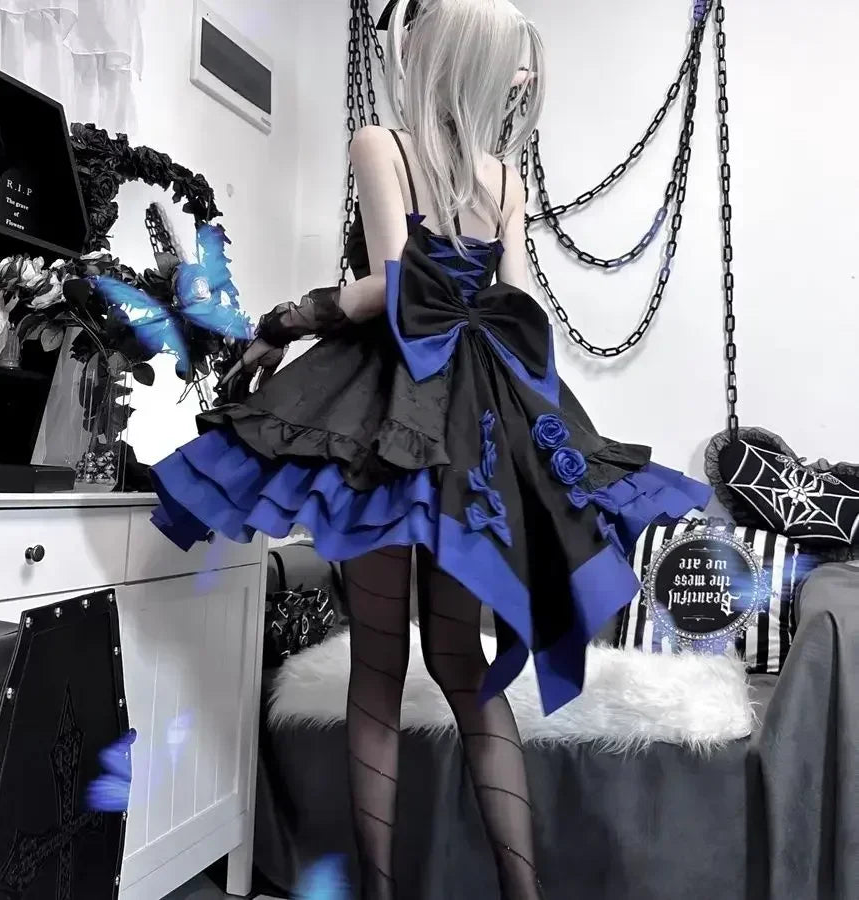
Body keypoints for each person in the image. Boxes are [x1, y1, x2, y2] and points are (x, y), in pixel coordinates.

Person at [150, 1, 711, 897]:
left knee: (377, 668)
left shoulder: (382, 144)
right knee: (461, 665)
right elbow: (517, 301)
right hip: (475, 419)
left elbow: (390, 287)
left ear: (433, 52)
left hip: (387, 410)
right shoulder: (506, 176)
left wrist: (284, 320)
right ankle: (523, 892)